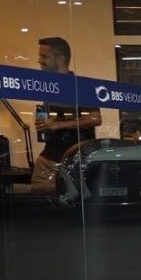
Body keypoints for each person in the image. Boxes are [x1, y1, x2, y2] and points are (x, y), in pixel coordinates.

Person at [30, 37, 100, 190]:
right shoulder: (48, 86)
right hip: (48, 159)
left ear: (60, 59)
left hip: (76, 160)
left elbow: (95, 118)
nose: (39, 61)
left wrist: (58, 125)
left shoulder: (82, 86)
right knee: (38, 199)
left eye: (44, 56)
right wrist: (45, 123)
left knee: (72, 201)